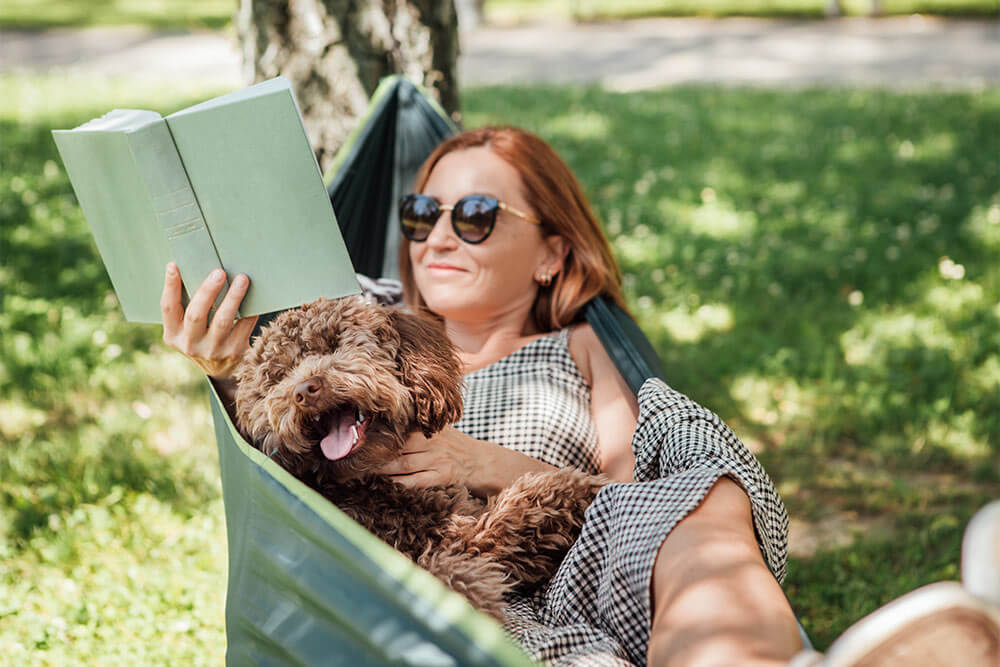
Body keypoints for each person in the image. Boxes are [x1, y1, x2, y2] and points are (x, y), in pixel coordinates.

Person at [161, 126, 803, 665]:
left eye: (474, 216)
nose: (436, 237)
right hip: (418, 599)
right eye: (421, 214)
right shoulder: (363, 318)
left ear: (552, 252)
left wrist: (484, 464)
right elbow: (280, 457)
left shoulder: (579, 345)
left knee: (706, 497)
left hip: (562, 581)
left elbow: (635, 501)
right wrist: (223, 366)